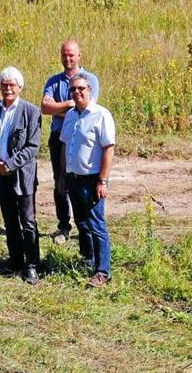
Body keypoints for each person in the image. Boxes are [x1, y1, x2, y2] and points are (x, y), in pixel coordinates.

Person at [0, 67, 42, 285]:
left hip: (22, 176)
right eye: (4, 85)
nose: (8, 88)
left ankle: (32, 265)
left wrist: (10, 164)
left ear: (20, 87)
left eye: (12, 85)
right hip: (0, 175)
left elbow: (33, 146)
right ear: (0, 86)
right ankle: (15, 261)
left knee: (28, 221)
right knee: (9, 221)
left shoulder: (31, 111)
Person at [41, 40, 100, 245]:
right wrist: (67, 104)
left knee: (82, 181)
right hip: (58, 138)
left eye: (71, 55)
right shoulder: (54, 81)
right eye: (64, 55)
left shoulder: (90, 78)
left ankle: (87, 226)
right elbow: (45, 108)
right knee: (60, 181)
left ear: (79, 55)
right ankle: (63, 226)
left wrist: (59, 108)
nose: (68, 59)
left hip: (83, 138)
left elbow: (87, 107)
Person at [59, 73, 115, 288]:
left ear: (90, 90)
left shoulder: (101, 115)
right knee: (82, 222)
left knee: (96, 224)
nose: (77, 92)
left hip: (92, 180)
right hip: (73, 178)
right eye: (73, 89)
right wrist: (62, 177)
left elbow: (109, 148)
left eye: (81, 88)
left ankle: (103, 271)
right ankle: (88, 260)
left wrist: (102, 180)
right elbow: (65, 145)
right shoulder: (71, 115)